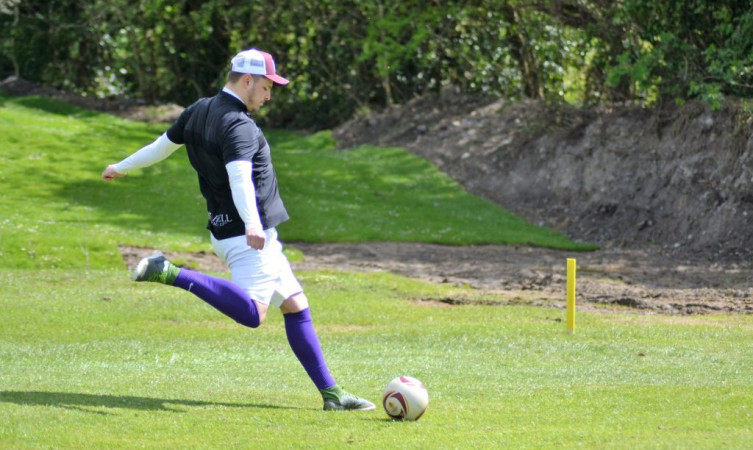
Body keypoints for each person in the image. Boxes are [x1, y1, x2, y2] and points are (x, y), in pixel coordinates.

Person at [101, 48, 375, 412]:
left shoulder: (199, 109)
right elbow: (239, 175)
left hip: (231, 231)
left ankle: (333, 394)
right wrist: (252, 224)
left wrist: (121, 166)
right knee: (252, 314)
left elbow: (161, 147)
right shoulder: (239, 124)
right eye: (265, 87)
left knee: (296, 307)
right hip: (248, 236)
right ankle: (169, 271)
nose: (269, 95)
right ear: (247, 80)